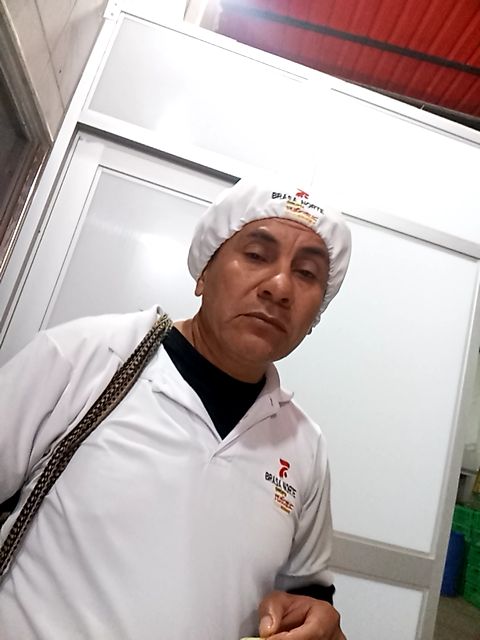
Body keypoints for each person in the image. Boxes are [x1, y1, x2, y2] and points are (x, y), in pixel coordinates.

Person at [0, 176, 351, 639]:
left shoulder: (304, 447)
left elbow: (306, 593)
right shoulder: (84, 359)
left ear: (316, 313)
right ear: (204, 272)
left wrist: (319, 619)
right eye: (256, 255)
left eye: (306, 273)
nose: (280, 287)